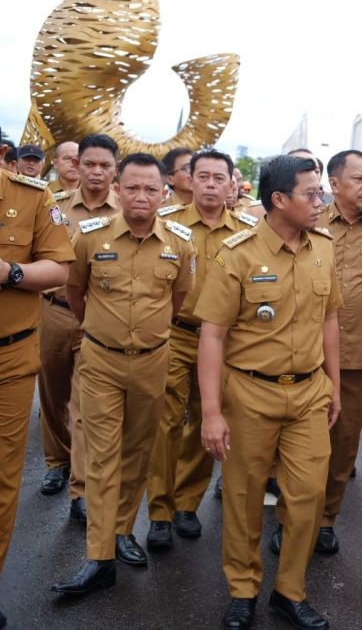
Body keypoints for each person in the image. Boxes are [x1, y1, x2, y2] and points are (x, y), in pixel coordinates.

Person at [197, 155, 343, 630]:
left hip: (308, 396)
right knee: (242, 498)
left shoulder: (323, 248)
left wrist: (334, 387)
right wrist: (212, 413)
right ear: (279, 200)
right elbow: (212, 336)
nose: (320, 201)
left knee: (306, 498)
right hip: (250, 394)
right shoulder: (236, 254)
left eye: (320, 192)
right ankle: (243, 589)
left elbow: (330, 320)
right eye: (311, 194)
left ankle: (290, 591)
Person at [52, 152, 196, 596]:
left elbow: (177, 300)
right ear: (118, 189)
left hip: (154, 360)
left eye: (151, 189)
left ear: (163, 193)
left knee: (137, 453)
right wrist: (105, 331)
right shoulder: (89, 237)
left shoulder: (179, 242)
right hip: (101, 362)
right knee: (101, 455)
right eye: (132, 187)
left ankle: (120, 532)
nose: (141, 196)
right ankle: (99, 558)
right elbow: (76, 295)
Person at [270, 149, 362, 557]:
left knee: (344, 444)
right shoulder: (308, 223)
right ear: (334, 185)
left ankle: (325, 519)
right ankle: (289, 520)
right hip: (303, 355)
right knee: (296, 447)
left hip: (357, 360)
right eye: (359, 179)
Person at [145, 149, 256, 551]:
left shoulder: (247, 232)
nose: (210, 184)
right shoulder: (167, 225)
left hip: (224, 341)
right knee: (166, 420)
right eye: (202, 176)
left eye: (218, 178)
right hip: (175, 333)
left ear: (231, 185)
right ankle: (158, 510)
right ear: (189, 180)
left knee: (208, 420)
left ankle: (186, 503)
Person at [0, 124, 75, 628]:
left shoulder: (30, 197)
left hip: (9, 359)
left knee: (3, 480)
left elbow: (59, 270)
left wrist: (10, 273)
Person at [37, 134, 120, 528]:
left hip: (99, 318)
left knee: (87, 406)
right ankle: (56, 460)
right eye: (90, 164)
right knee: (53, 393)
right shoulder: (51, 206)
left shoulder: (128, 211)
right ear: (76, 165)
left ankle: (82, 488)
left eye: (106, 165)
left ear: (114, 169)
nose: (97, 172)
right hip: (54, 312)